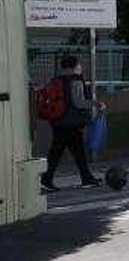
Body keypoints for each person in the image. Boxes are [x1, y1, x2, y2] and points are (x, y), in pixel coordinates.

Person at [40, 56, 103, 192]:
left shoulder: (57, 80)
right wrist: (95, 103)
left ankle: (47, 180)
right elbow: (78, 102)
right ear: (73, 67)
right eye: (79, 65)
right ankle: (85, 179)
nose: (80, 67)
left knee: (58, 152)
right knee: (73, 152)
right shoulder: (75, 81)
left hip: (58, 121)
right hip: (71, 123)